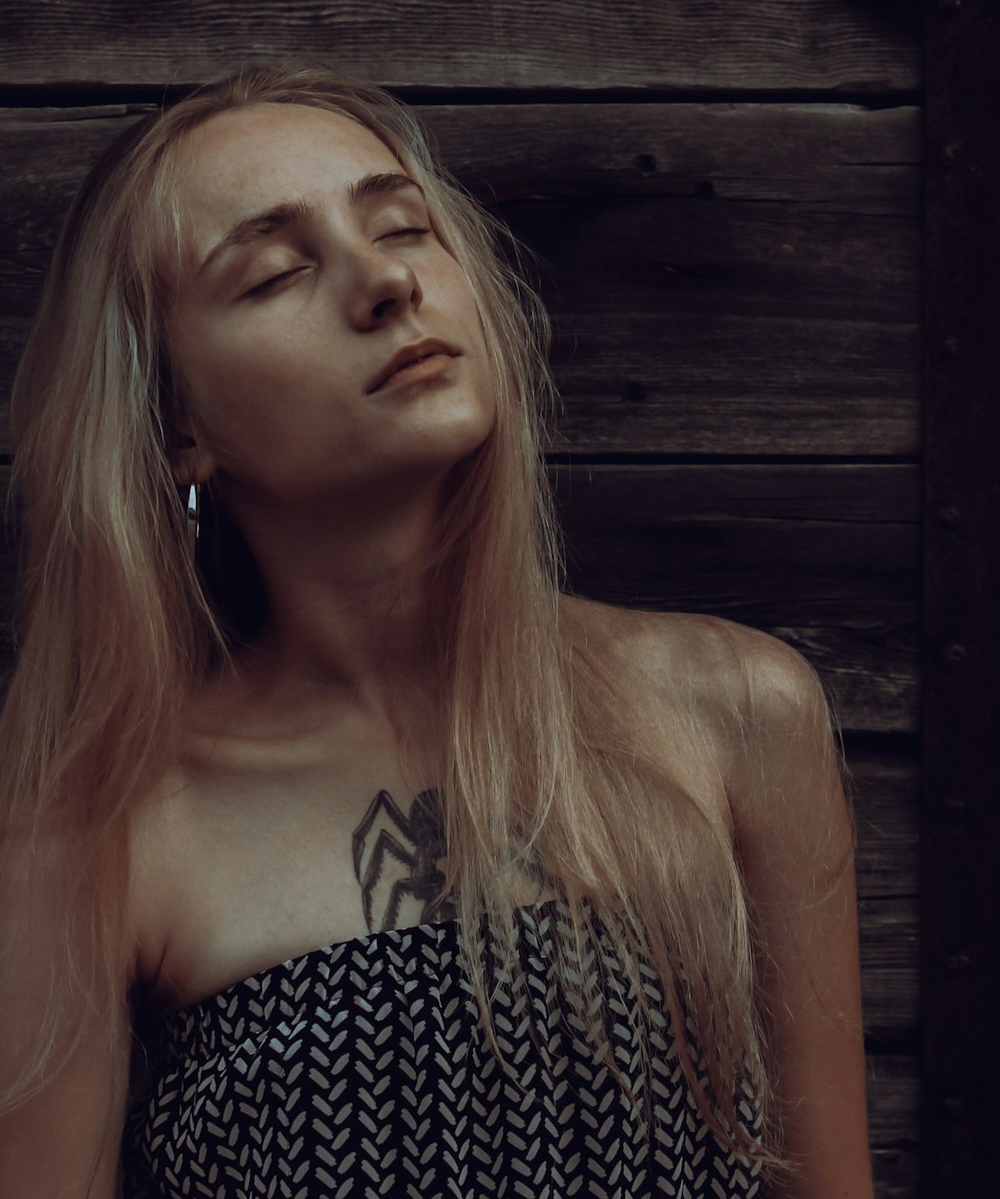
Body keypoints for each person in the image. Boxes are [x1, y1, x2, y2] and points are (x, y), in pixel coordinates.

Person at [0, 63, 875, 1198]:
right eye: (273, 274)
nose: (384, 285)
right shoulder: (93, 828)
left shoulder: (736, 709)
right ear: (178, 428)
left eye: (403, 227)